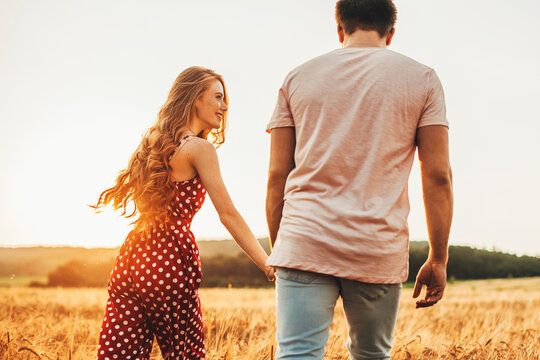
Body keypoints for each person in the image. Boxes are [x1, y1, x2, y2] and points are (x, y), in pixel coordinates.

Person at [265, 0, 453, 359]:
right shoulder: (423, 79)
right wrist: (439, 258)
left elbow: (277, 176)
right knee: (371, 355)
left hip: (304, 240)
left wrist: (283, 248)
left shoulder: (297, 76)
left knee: (296, 354)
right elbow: (438, 176)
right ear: (390, 34)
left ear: (340, 29)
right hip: (375, 246)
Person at [93, 66, 275, 360]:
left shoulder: (151, 143)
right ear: (194, 99)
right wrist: (267, 263)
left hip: (131, 259)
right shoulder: (199, 148)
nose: (224, 106)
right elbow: (227, 214)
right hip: (169, 262)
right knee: (185, 354)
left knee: (120, 354)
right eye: (217, 97)